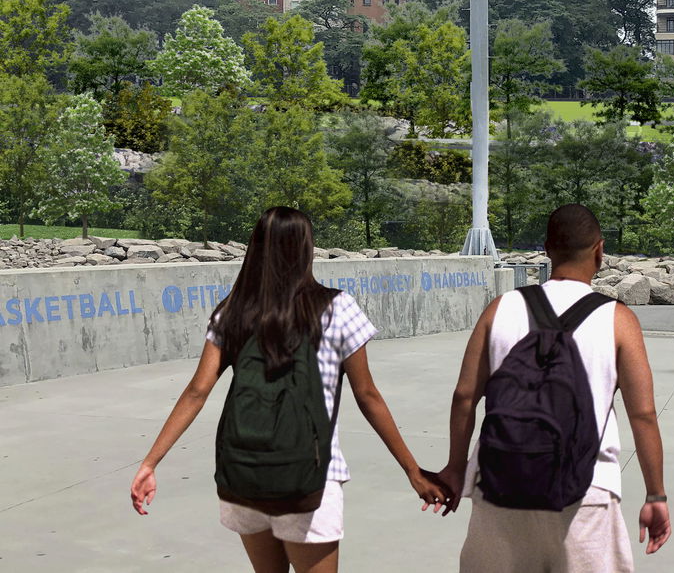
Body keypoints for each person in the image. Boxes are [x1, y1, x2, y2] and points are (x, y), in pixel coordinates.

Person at [129, 207, 448, 572]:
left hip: (244, 475)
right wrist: (412, 471)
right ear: (305, 249)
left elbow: (196, 392)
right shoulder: (336, 308)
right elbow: (367, 395)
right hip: (310, 477)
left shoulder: (231, 312)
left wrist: (150, 463)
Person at [442, 204, 671, 572]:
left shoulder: (501, 308)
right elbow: (642, 414)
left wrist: (455, 468)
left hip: (501, 487)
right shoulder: (618, 319)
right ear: (599, 250)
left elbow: (464, 396)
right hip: (586, 494)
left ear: (547, 249)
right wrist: (655, 494)